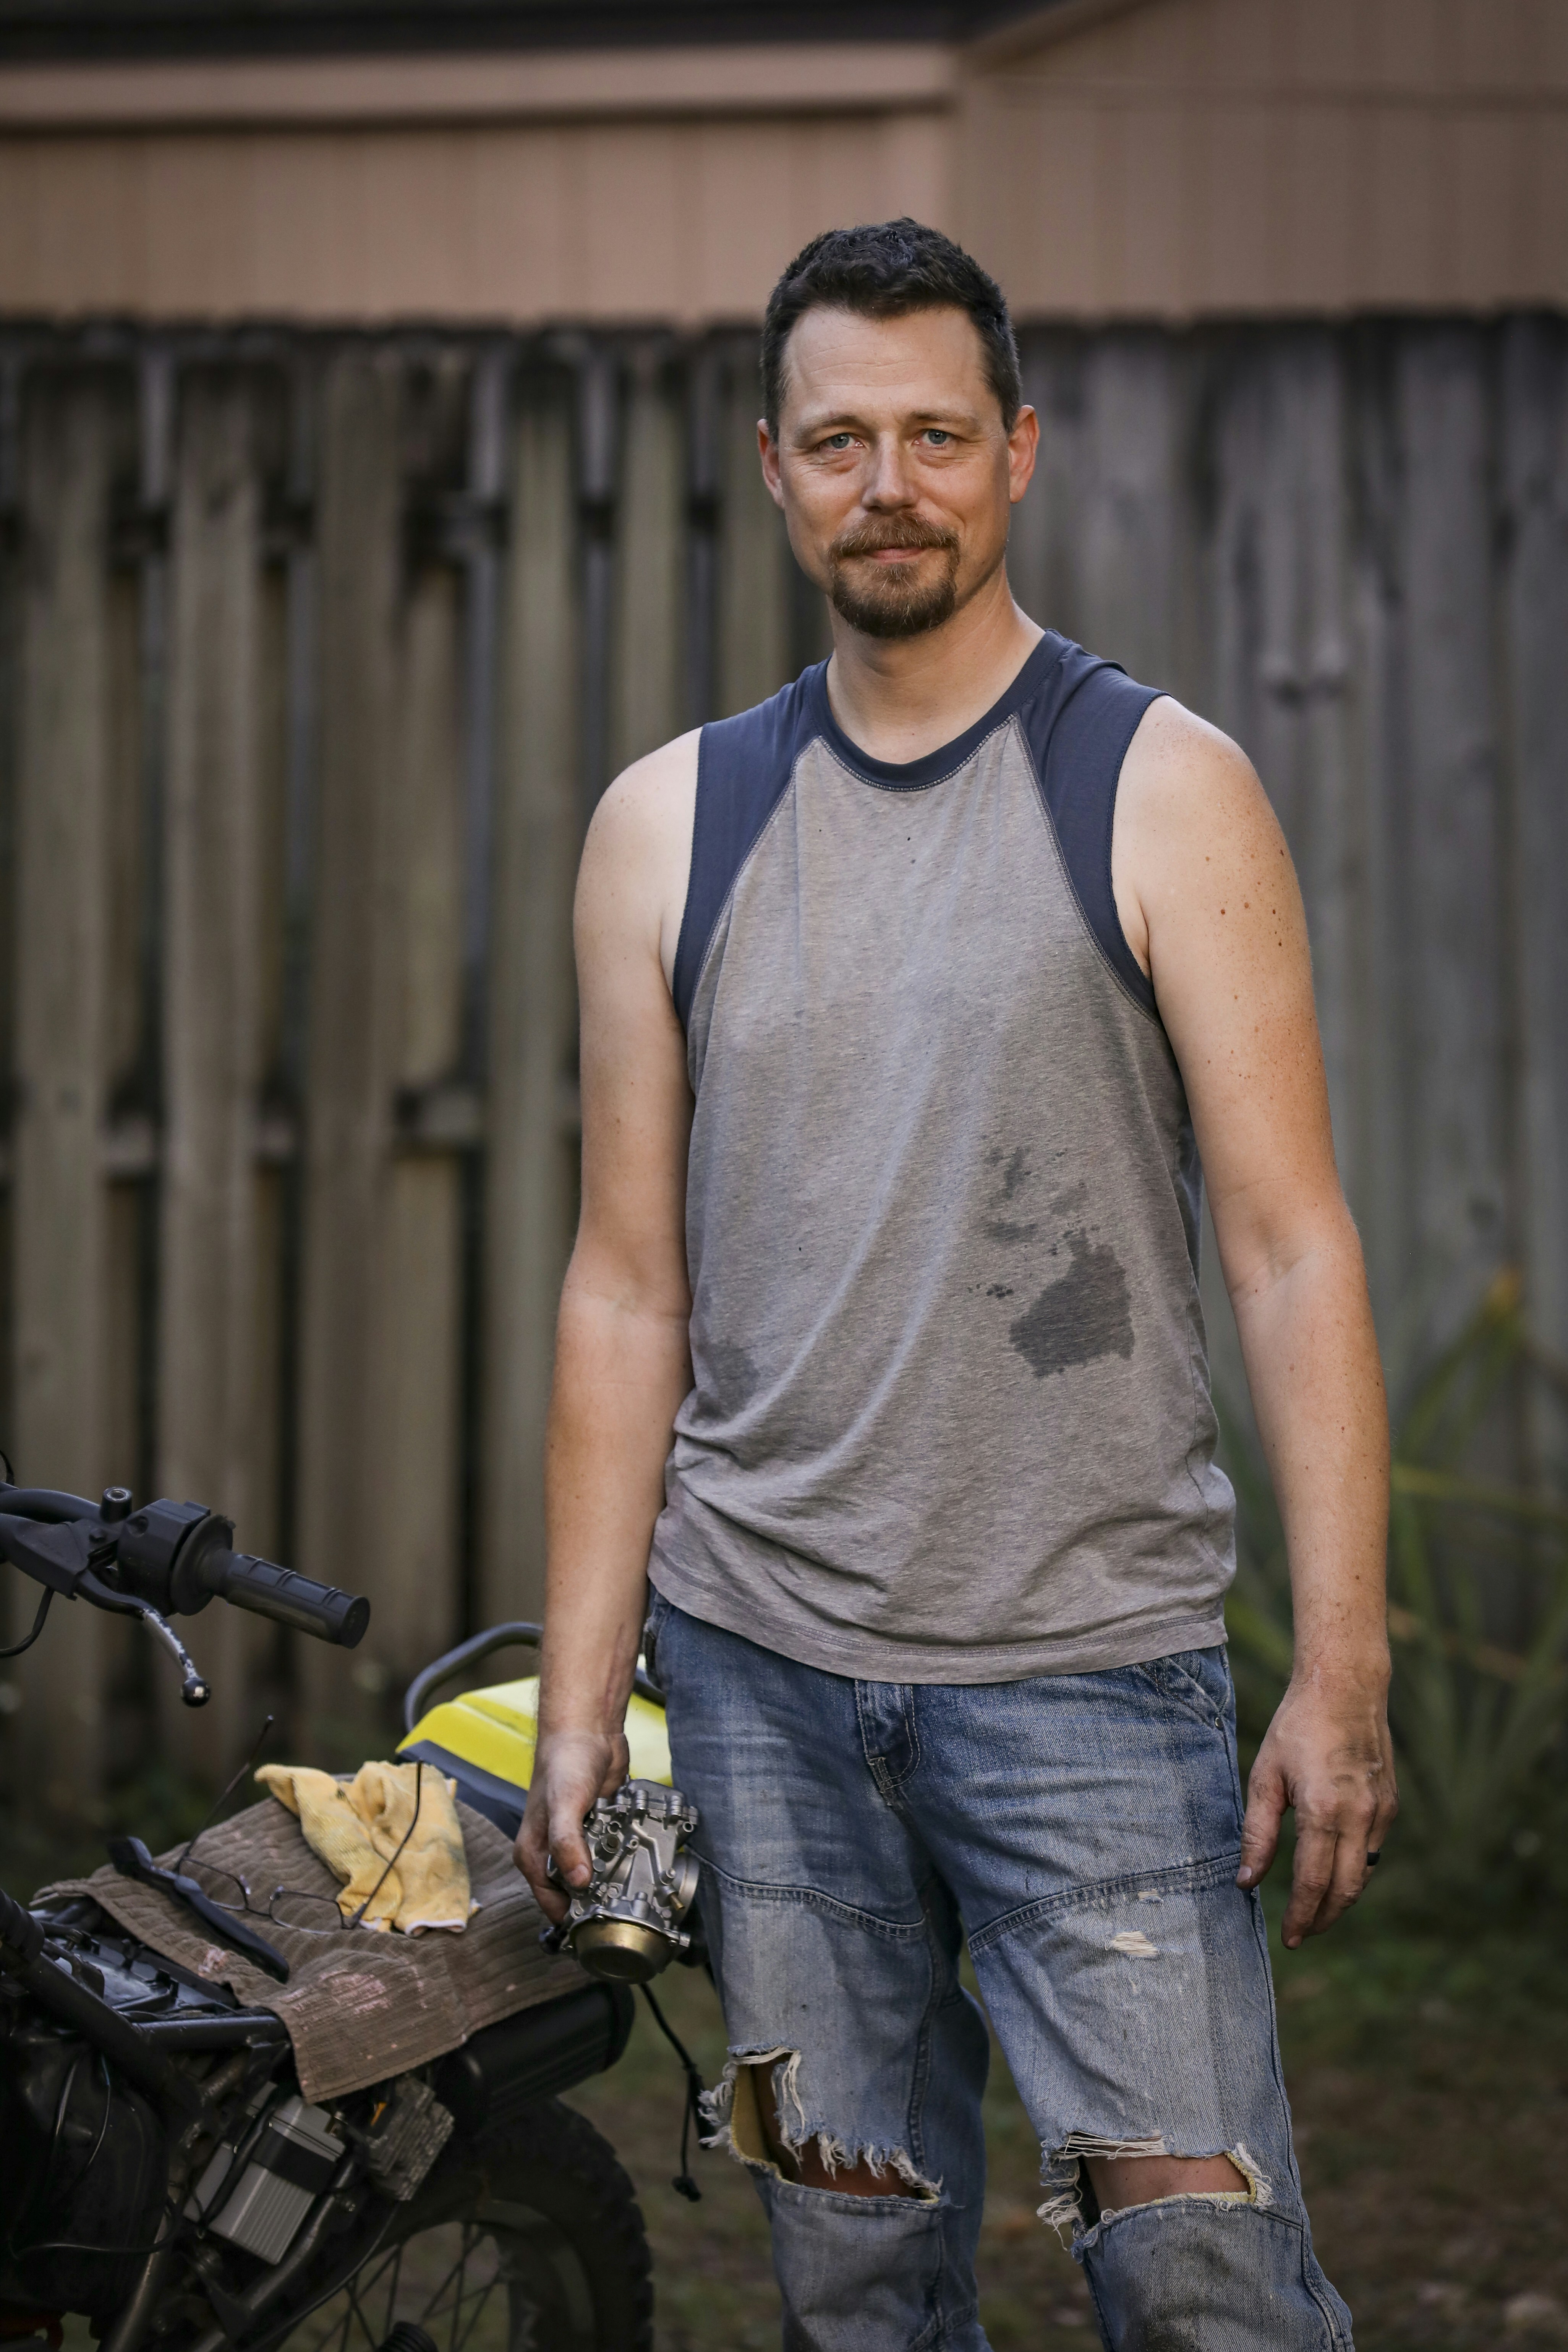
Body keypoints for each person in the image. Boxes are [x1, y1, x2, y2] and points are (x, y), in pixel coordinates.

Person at [517, 218, 1394, 2350]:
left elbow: (1287, 1249)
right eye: (838, 439)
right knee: (851, 2275)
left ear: (1015, 453)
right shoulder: (668, 826)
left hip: (1087, 1677)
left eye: (931, 433)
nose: (885, 481)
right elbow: (627, 1289)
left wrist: (1340, 1665)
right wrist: (580, 1679)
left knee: (1198, 2282)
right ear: (772, 465)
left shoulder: (1161, 787)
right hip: (758, 1689)